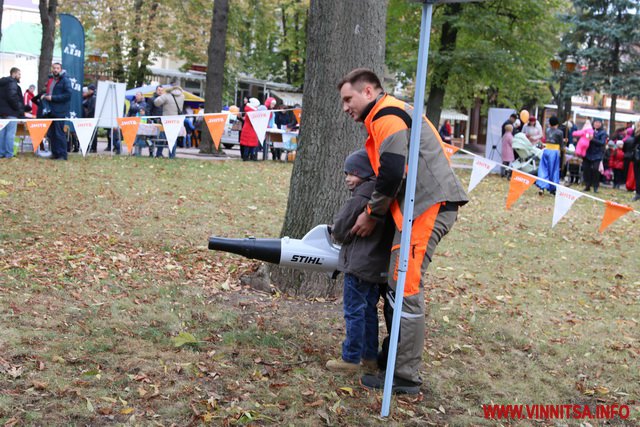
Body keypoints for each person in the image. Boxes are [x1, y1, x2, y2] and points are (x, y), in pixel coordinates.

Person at [337, 68, 468, 394]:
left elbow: (393, 171)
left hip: (427, 208)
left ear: (368, 92)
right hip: (418, 209)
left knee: (405, 288)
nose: (345, 107)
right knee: (398, 285)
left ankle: (404, 376)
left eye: (347, 99)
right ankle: (392, 358)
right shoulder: (385, 117)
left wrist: (371, 214)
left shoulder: (387, 117)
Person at [326, 149, 394, 374]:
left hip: (358, 265)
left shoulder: (360, 199)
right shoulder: (383, 199)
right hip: (376, 268)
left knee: (354, 311)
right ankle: (369, 357)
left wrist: (336, 232)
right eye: (346, 173)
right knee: (368, 311)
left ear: (365, 173)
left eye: (352, 173)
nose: (347, 178)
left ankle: (350, 358)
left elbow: (341, 229)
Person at [42, 63, 72, 160]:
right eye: (54, 68)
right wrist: (44, 96)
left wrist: (53, 98)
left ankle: (63, 155)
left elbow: (68, 95)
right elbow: (50, 93)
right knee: (52, 133)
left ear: (61, 69)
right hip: (50, 110)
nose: (55, 70)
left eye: (57, 68)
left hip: (60, 111)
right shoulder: (51, 80)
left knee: (59, 133)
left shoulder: (65, 80)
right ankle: (55, 153)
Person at [0, 67, 27, 159]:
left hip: (1, 112)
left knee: (2, 133)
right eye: (19, 74)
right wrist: (18, 109)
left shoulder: (2, 83)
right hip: (11, 112)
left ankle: (1, 153)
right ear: (14, 74)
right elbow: (12, 97)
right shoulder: (12, 83)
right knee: (10, 134)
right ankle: (9, 154)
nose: (20, 76)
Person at [153, 81, 185, 159]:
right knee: (173, 138)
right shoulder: (182, 96)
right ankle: (172, 155)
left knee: (162, 137)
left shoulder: (166, 95)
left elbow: (156, 103)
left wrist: (161, 95)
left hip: (167, 120)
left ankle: (159, 153)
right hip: (176, 120)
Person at [536, 116, 563, 195]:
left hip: (546, 150)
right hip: (554, 152)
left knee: (544, 169)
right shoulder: (560, 132)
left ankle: (542, 186)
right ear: (557, 123)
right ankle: (552, 188)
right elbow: (560, 144)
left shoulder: (547, 130)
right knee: (553, 170)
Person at [582, 118, 607, 193]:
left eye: (599, 123)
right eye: (596, 122)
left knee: (596, 170)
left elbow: (602, 142)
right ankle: (587, 185)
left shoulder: (603, 133)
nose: (597, 124)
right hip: (588, 153)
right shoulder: (589, 130)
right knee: (586, 169)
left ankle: (595, 186)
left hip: (597, 154)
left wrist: (592, 139)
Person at [147, 86, 164, 156]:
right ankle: (151, 152)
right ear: (156, 90)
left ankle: (159, 153)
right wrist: (149, 119)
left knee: (162, 138)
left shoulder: (164, 99)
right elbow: (148, 110)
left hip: (162, 121)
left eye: (161, 90)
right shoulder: (151, 99)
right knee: (151, 138)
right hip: (153, 121)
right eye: (159, 90)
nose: (160, 91)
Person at [82, 84, 97, 152]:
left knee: (93, 133)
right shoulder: (90, 97)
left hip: (91, 117)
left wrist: (88, 114)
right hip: (90, 117)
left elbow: (92, 108)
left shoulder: (93, 98)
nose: (87, 91)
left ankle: (93, 148)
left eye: (88, 90)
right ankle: (92, 147)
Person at [632, 122, 640, 202]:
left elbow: (633, 143)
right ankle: (638, 193)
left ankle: (638, 194)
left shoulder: (636, 132)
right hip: (637, 157)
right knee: (637, 176)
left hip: (637, 157)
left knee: (638, 176)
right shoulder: (636, 132)